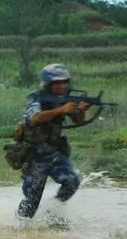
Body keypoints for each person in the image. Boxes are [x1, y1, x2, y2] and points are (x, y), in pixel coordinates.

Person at [16, 63, 90, 219]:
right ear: (48, 84)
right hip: (34, 156)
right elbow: (35, 117)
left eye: (64, 82)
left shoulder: (65, 99)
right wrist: (62, 109)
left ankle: (52, 211)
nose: (62, 86)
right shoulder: (35, 97)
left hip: (55, 154)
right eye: (57, 83)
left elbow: (77, 120)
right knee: (31, 205)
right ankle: (19, 228)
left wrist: (81, 110)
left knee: (73, 180)